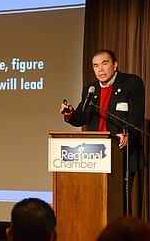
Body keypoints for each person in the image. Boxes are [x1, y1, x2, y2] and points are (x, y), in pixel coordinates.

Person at [60, 49, 146, 213]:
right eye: (95, 65)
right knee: (95, 203)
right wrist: (70, 113)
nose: (100, 69)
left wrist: (127, 133)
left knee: (119, 204)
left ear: (115, 65)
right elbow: (82, 117)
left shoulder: (131, 83)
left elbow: (136, 116)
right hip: (94, 155)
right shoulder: (90, 89)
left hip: (122, 154)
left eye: (104, 64)